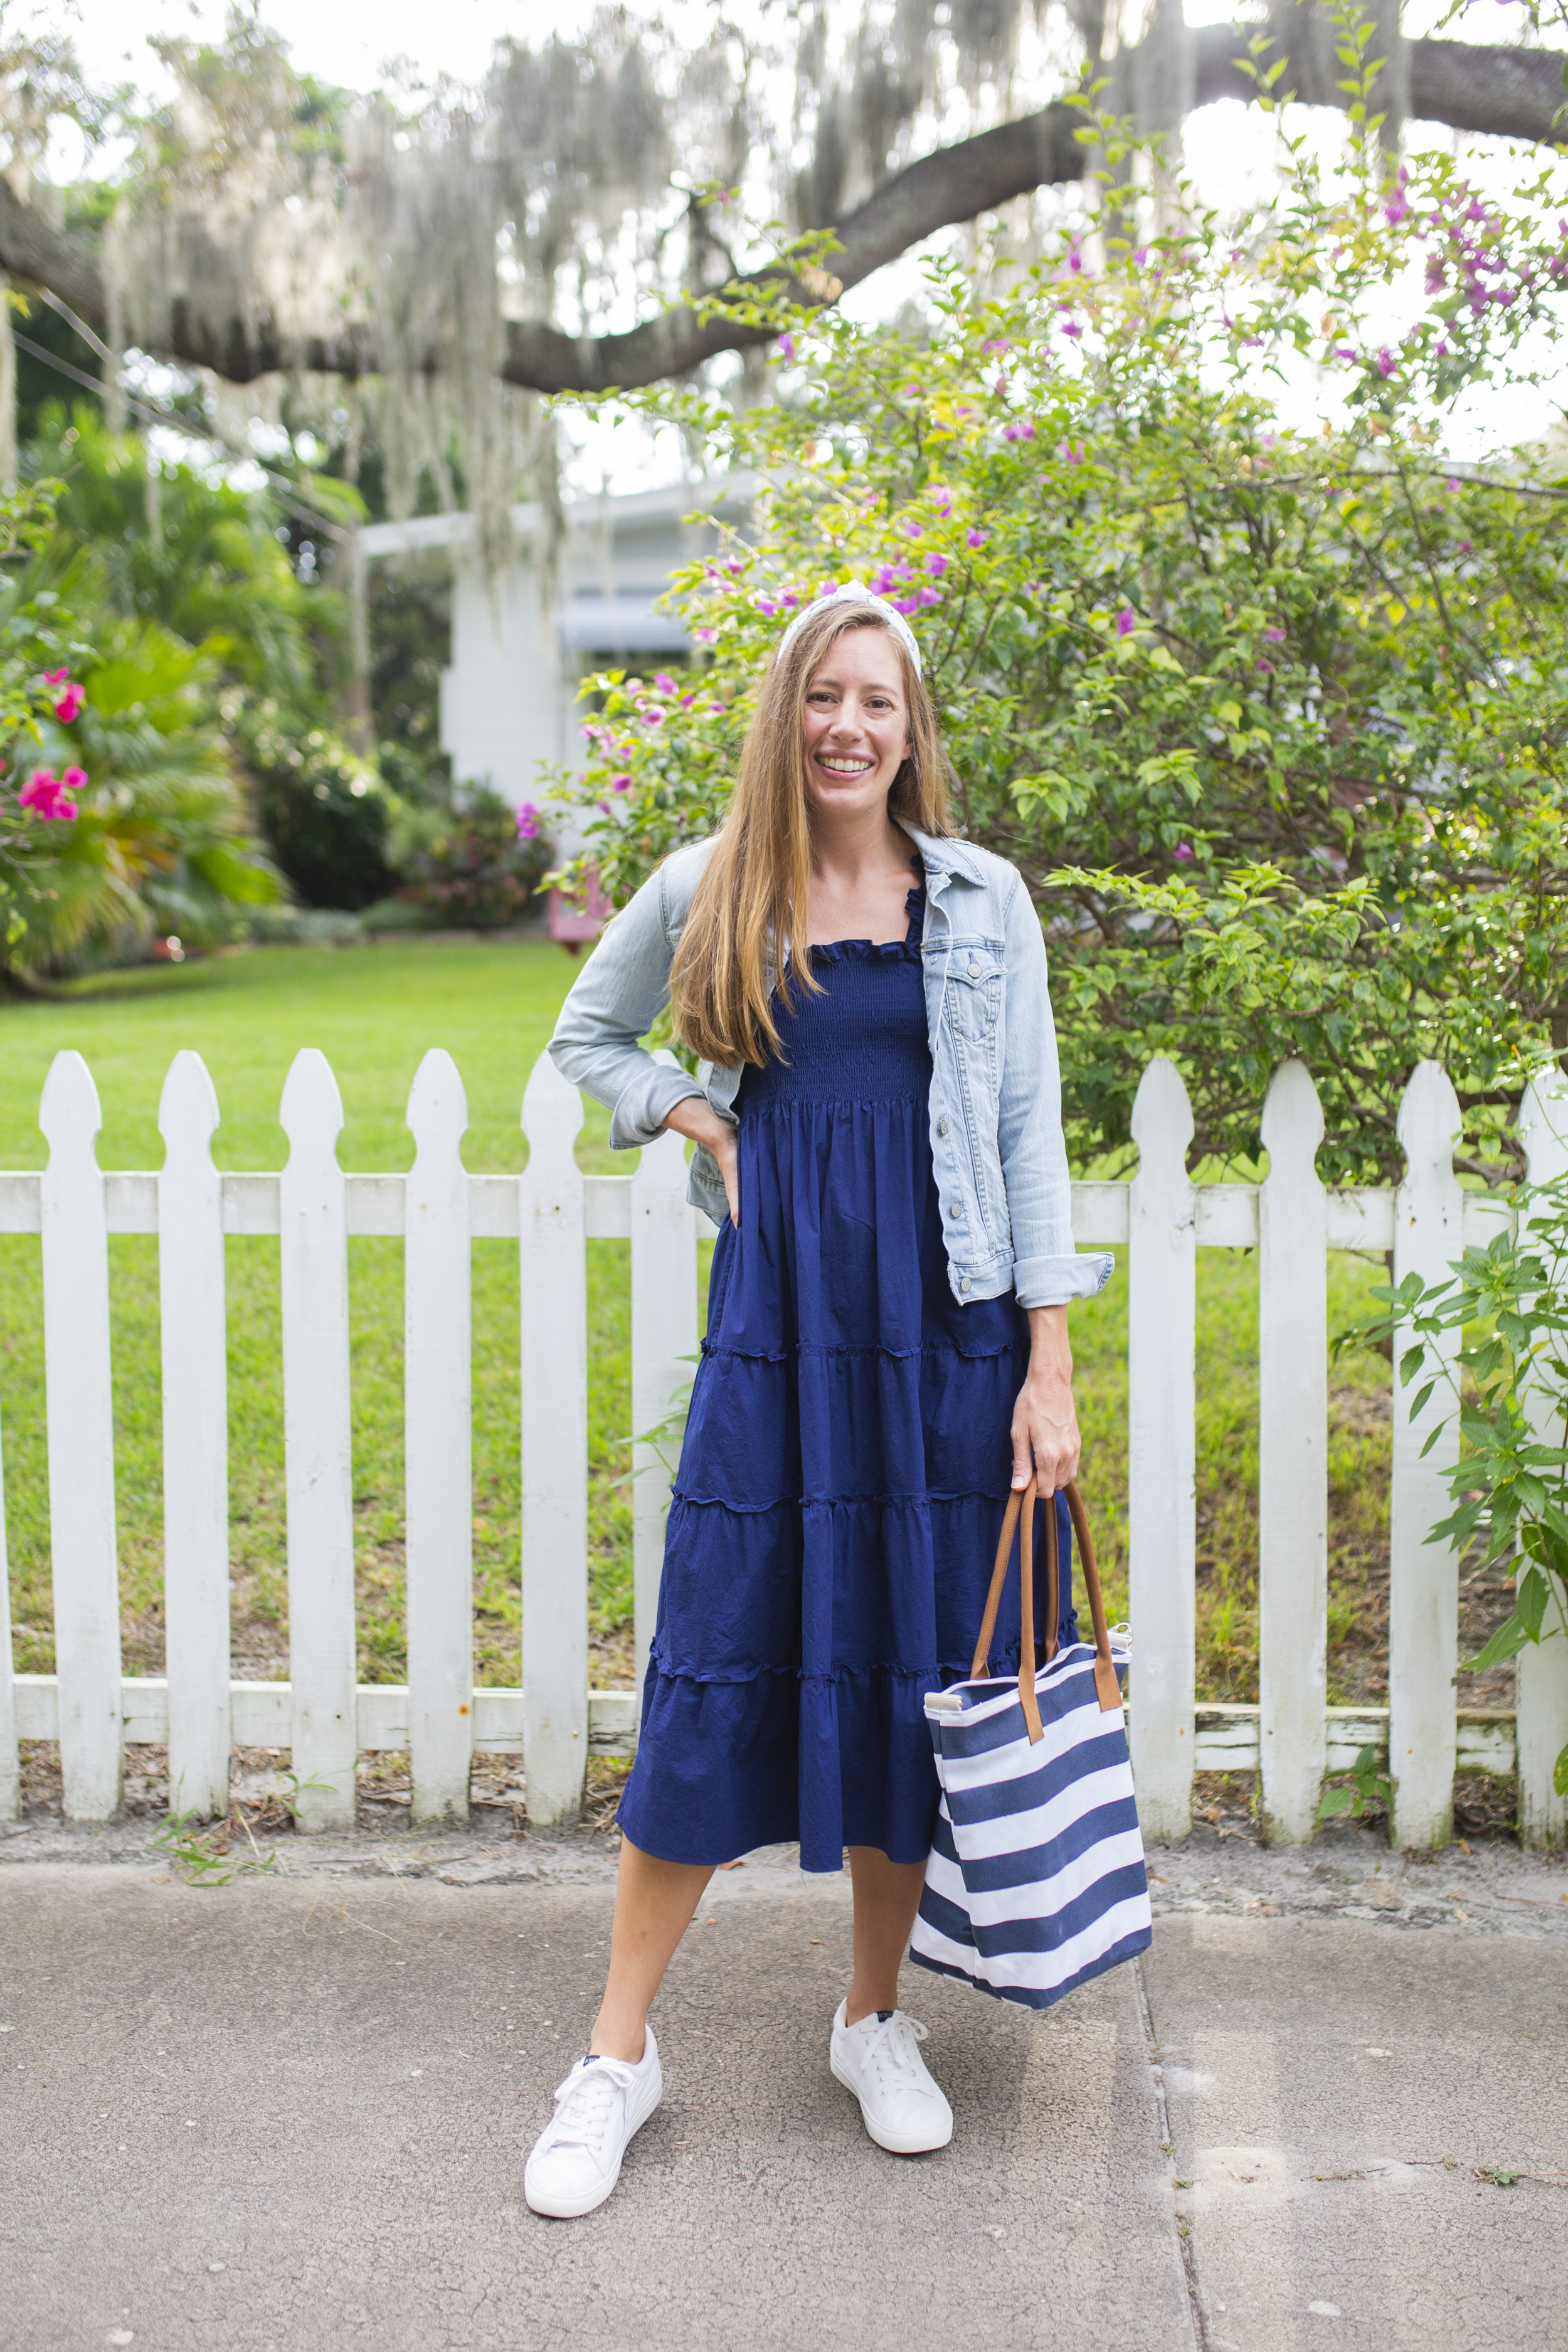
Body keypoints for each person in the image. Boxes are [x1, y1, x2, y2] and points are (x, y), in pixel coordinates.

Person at [529, 580, 1112, 2218]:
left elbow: (1027, 1141)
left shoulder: (983, 902)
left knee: (913, 1674)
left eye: (880, 700)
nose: (851, 724)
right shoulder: (711, 886)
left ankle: (872, 2019)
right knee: (717, 1658)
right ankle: (616, 2055)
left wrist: (1045, 1368)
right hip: (777, 1335)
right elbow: (587, 1032)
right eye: (824, 697)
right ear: (786, 716)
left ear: (909, 727)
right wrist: (689, 1119)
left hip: (945, 1341)